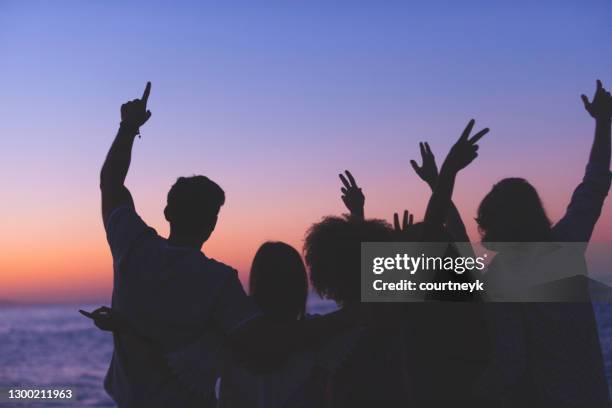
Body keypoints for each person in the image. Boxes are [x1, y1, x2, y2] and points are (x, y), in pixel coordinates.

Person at [96, 82, 363, 407]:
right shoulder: (217, 282)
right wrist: (357, 314)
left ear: (167, 212)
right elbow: (267, 339)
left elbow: (111, 182)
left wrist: (128, 127)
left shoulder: (132, 247)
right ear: (212, 224)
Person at [474, 81, 612, 407]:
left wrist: (475, 395)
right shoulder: (565, 244)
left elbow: (511, 358)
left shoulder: (501, 275)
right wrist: (603, 123)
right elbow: (594, 183)